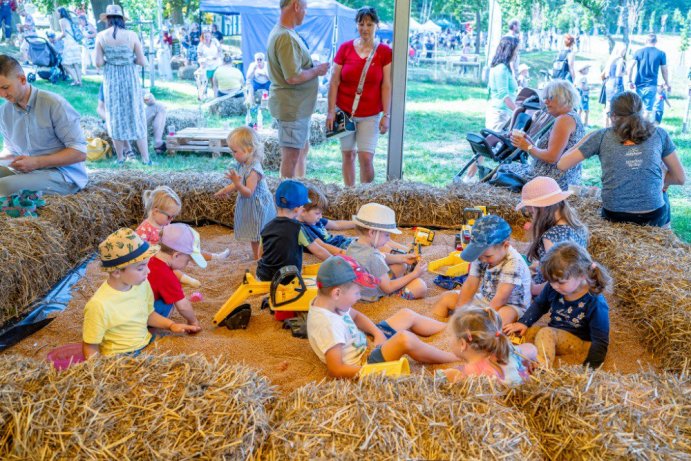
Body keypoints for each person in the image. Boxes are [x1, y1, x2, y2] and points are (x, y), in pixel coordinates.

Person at [306, 255, 457, 379]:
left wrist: (377, 333)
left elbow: (356, 316)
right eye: (357, 293)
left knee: (406, 314)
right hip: (365, 362)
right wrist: (377, 372)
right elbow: (336, 370)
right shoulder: (327, 325)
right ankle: (452, 357)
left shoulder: (331, 303)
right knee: (405, 339)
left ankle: (450, 330)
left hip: (366, 343)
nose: (358, 297)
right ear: (337, 293)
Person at [558, 91, 686, 227]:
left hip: (615, 213)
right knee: (661, 192)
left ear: (613, 116)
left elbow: (562, 164)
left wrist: (586, 139)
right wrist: (657, 178)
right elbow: (680, 178)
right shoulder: (659, 133)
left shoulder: (601, 136)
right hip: (653, 214)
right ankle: (665, 231)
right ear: (641, 112)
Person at [82, 228, 200, 359]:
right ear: (116, 272)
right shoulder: (99, 305)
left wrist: (171, 325)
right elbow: (90, 346)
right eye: (140, 268)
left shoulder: (142, 284)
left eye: (147, 264)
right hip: (119, 356)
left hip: (146, 341)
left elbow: (148, 314)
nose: (148, 271)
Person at [504, 242, 610, 369]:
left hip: (579, 343)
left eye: (560, 282)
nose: (554, 286)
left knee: (546, 333)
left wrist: (590, 369)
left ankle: (542, 367)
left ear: (582, 275)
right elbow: (539, 305)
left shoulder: (596, 302)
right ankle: (514, 356)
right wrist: (524, 322)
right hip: (555, 334)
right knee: (531, 332)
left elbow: (601, 341)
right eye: (550, 281)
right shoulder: (555, 287)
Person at [0, 55, 88, 197]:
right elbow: (11, 151)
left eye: (5, 87)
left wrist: (37, 162)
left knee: (2, 187)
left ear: (22, 79)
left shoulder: (54, 104)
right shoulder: (4, 112)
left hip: (62, 175)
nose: (2, 94)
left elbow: (79, 152)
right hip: (30, 172)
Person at [326, 6, 392, 187]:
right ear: (356, 25)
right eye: (361, 24)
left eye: (369, 24)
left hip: (370, 114)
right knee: (347, 154)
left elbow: (386, 85)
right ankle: (349, 193)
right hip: (344, 110)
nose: (365, 28)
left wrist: (387, 115)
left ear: (376, 25)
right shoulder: (345, 48)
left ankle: (365, 195)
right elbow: (334, 82)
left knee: (365, 157)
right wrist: (331, 111)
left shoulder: (384, 52)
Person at [267, 0, 329, 178]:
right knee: (291, 157)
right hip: (292, 108)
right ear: (296, 6)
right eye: (305, 8)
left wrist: (310, 66)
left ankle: (299, 188)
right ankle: (286, 201)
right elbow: (292, 76)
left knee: (301, 150)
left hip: (297, 107)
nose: (306, 13)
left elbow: (293, 67)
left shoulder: (284, 33)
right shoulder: (286, 37)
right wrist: (316, 70)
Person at [432, 215, 531, 326]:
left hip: (511, 305)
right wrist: (459, 313)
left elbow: (501, 298)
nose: (483, 260)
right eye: (480, 256)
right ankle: (438, 328)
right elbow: (470, 284)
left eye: (488, 256)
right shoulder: (482, 254)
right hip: (484, 299)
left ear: (505, 245)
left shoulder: (513, 262)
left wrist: (481, 319)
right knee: (446, 298)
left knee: (501, 318)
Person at [136, 185, 229, 287]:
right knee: (170, 269)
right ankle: (188, 280)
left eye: (173, 217)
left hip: (173, 255)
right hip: (157, 261)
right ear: (156, 211)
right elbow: (138, 251)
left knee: (190, 250)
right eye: (169, 216)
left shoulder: (165, 224)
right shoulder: (144, 229)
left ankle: (216, 257)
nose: (171, 220)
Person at [504, 79, 585, 190]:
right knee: (506, 170)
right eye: (545, 98)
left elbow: (552, 157)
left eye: (550, 98)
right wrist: (528, 142)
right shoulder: (569, 117)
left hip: (552, 181)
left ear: (564, 98)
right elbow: (546, 155)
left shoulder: (564, 119)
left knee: (503, 170)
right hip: (556, 178)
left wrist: (528, 146)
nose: (546, 102)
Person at [95, 5, 151, 165]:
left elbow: (98, 63)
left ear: (107, 19)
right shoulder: (131, 35)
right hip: (130, 79)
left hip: (111, 79)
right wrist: (129, 60)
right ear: (121, 19)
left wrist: (111, 60)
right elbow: (141, 61)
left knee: (114, 115)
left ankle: (120, 158)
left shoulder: (101, 36)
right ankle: (146, 159)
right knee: (137, 113)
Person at [516, 176, 588, 296]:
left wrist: (534, 289)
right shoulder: (577, 227)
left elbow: (559, 277)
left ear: (539, 208)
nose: (531, 216)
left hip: (550, 291)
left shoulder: (551, 236)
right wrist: (538, 267)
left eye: (531, 212)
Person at [462, 36, 519, 183]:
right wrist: (518, 110)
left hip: (500, 112)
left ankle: (470, 177)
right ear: (509, 50)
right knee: (487, 148)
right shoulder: (501, 69)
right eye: (516, 51)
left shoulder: (503, 68)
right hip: (500, 113)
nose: (517, 54)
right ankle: (470, 177)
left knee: (484, 148)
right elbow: (504, 95)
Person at [214, 127, 276, 260]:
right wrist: (226, 190)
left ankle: (259, 258)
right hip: (251, 205)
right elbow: (239, 181)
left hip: (258, 206)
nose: (232, 154)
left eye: (235, 151)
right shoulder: (243, 165)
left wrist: (237, 184)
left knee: (258, 235)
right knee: (255, 234)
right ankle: (258, 257)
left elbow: (248, 192)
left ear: (249, 149)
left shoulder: (254, 170)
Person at [346, 203, 428, 302]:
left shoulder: (354, 244)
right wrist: (415, 273)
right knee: (420, 286)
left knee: (401, 265)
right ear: (372, 233)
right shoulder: (372, 257)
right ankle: (397, 294)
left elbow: (382, 257)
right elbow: (388, 288)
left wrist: (403, 258)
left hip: (362, 289)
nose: (388, 239)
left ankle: (402, 278)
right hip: (374, 296)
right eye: (387, 235)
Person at [256, 180, 330, 281]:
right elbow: (318, 251)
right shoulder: (298, 228)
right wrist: (334, 261)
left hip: (262, 276)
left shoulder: (266, 227)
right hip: (286, 279)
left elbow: (260, 254)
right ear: (297, 208)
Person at [440, 307, 536, 385]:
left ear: (462, 344)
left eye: (450, 336)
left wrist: (444, 375)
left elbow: (451, 378)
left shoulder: (472, 372)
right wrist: (531, 361)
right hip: (523, 394)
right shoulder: (506, 350)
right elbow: (531, 348)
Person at [147, 223, 206, 329]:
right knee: (169, 303)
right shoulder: (166, 275)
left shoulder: (149, 253)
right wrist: (193, 321)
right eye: (187, 260)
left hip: (124, 307)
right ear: (176, 255)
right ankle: (153, 326)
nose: (187, 264)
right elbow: (183, 306)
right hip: (140, 317)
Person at [96, 88, 168, 156]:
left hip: (135, 121)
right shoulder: (109, 80)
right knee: (120, 123)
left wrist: (148, 97)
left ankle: (158, 143)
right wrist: (111, 121)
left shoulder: (132, 78)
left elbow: (150, 101)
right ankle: (127, 150)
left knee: (159, 106)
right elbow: (100, 109)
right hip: (118, 123)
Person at [298, 184, 356, 257]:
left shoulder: (315, 220)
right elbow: (322, 246)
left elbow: (336, 225)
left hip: (342, 242)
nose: (321, 216)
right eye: (317, 213)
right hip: (338, 248)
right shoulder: (303, 229)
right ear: (303, 211)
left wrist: (357, 223)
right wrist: (346, 254)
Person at [629, 34, 671, 122]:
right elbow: (664, 70)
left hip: (639, 85)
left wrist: (629, 81)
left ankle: (634, 129)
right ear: (656, 42)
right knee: (648, 111)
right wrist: (667, 83)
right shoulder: (661, 54)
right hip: (652, 86)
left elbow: (630, 67)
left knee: (636, 110)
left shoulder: (638, 52)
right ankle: (642, 131)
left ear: (646, 41)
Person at [601, 42, 626, 128]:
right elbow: (618, 73)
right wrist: (624, 72)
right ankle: (614, 125)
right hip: (616, 84)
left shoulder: (611, 59)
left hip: (609, 83)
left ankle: (606, 125)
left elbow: (605, 74)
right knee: (616, 106)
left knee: (608, 105)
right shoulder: (620, 59)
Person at [57, 7, 82, 86]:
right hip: (74, 43)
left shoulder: (61, 21)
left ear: (60, 12)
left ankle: (75, 80)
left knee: (64, 63)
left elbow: (64, 34)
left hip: (69, 43)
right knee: (76, 64)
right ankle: (80, 82)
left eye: (57, 12)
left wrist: (57, 38)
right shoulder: (69, 19)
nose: (56, 14)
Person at [196, 28, 222, 100]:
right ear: (203, 37)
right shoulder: (201, 44)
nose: (207, 38)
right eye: (205, 36)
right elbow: (199, 55)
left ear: (211, 36)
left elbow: (220, 50)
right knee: (204, 81)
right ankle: (203, 95)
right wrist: (204, 60)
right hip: (206, 64)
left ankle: (216, 97)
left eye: (208, 36)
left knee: (214, 81)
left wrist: (217, 56)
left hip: (215, 63)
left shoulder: (215, 41)